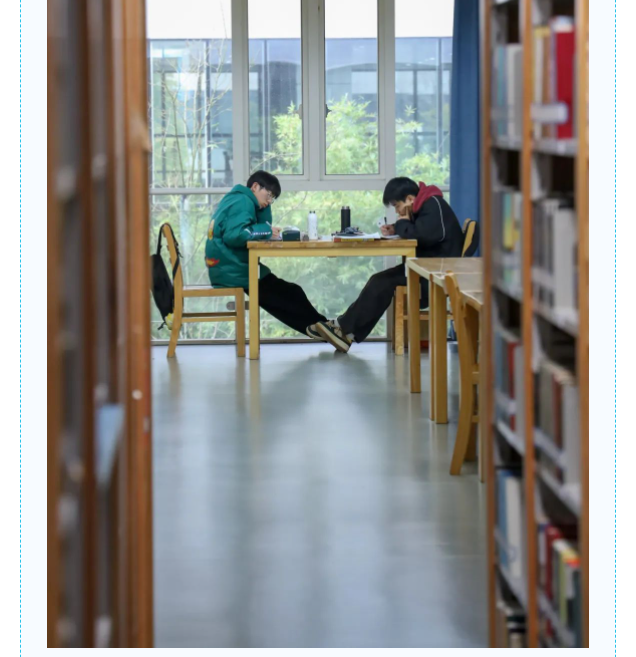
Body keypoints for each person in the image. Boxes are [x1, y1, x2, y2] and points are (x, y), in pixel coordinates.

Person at [313, 177, 465, 353]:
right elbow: (420, 229)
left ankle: (344, 330)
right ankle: (347, 333)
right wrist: (395, 227)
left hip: (434, 274)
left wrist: (402, 222)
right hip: (428, 266)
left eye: (397, 205)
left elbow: (422, 235)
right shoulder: (426, 204)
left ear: (409, 199)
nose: (398, 211)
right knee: (380, 281)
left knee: (381, 282)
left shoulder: (433, 205)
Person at [205, 170, 328, 339]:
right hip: (233, 270)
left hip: (230, 266)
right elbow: (235, 235)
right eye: (269, 195)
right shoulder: (242, 201)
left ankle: (322, 328)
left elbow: (253, 228)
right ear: (255, 186)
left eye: (273, 199)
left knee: (291, 293)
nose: (269, 201)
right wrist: (266, 230)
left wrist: (265, 213)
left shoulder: (240, 199)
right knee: (290, 295)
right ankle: (323, 328)